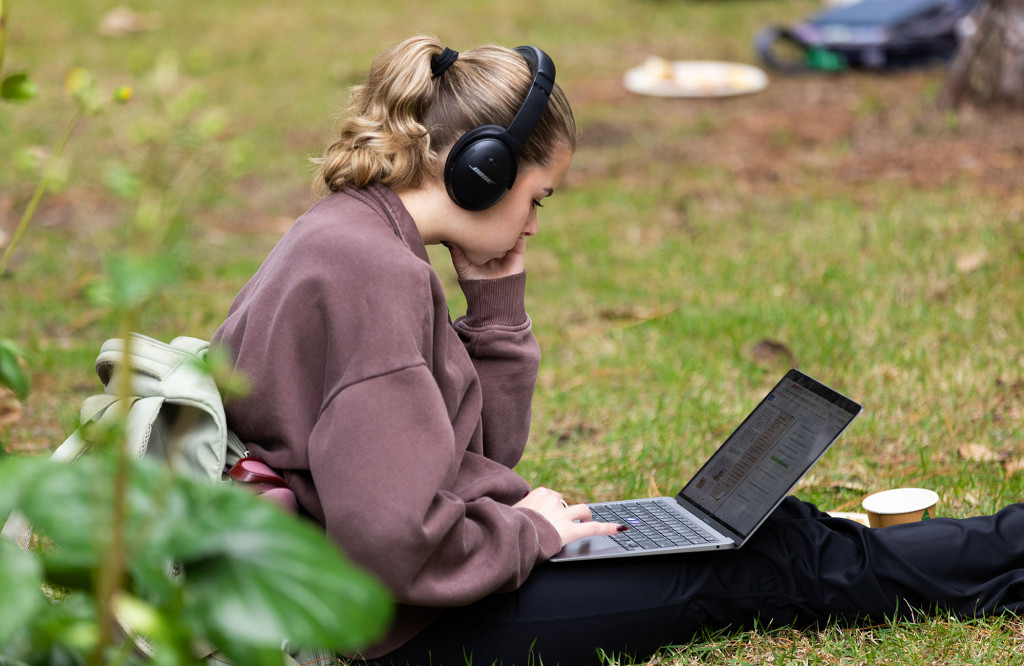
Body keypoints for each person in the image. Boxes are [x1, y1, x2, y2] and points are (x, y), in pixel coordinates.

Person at [211, 36, 1024, 666]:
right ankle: (1007, 548)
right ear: (481, 173)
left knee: (765, 539)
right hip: (391, 631)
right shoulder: (373, 275)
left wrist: (494, 308)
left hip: (376, 596)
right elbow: (391, 545)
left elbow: (462, 458)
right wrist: (529, 535)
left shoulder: (350, 236)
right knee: (756, 562)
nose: (534, 222)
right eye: (538, 197)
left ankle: (1000, 546)